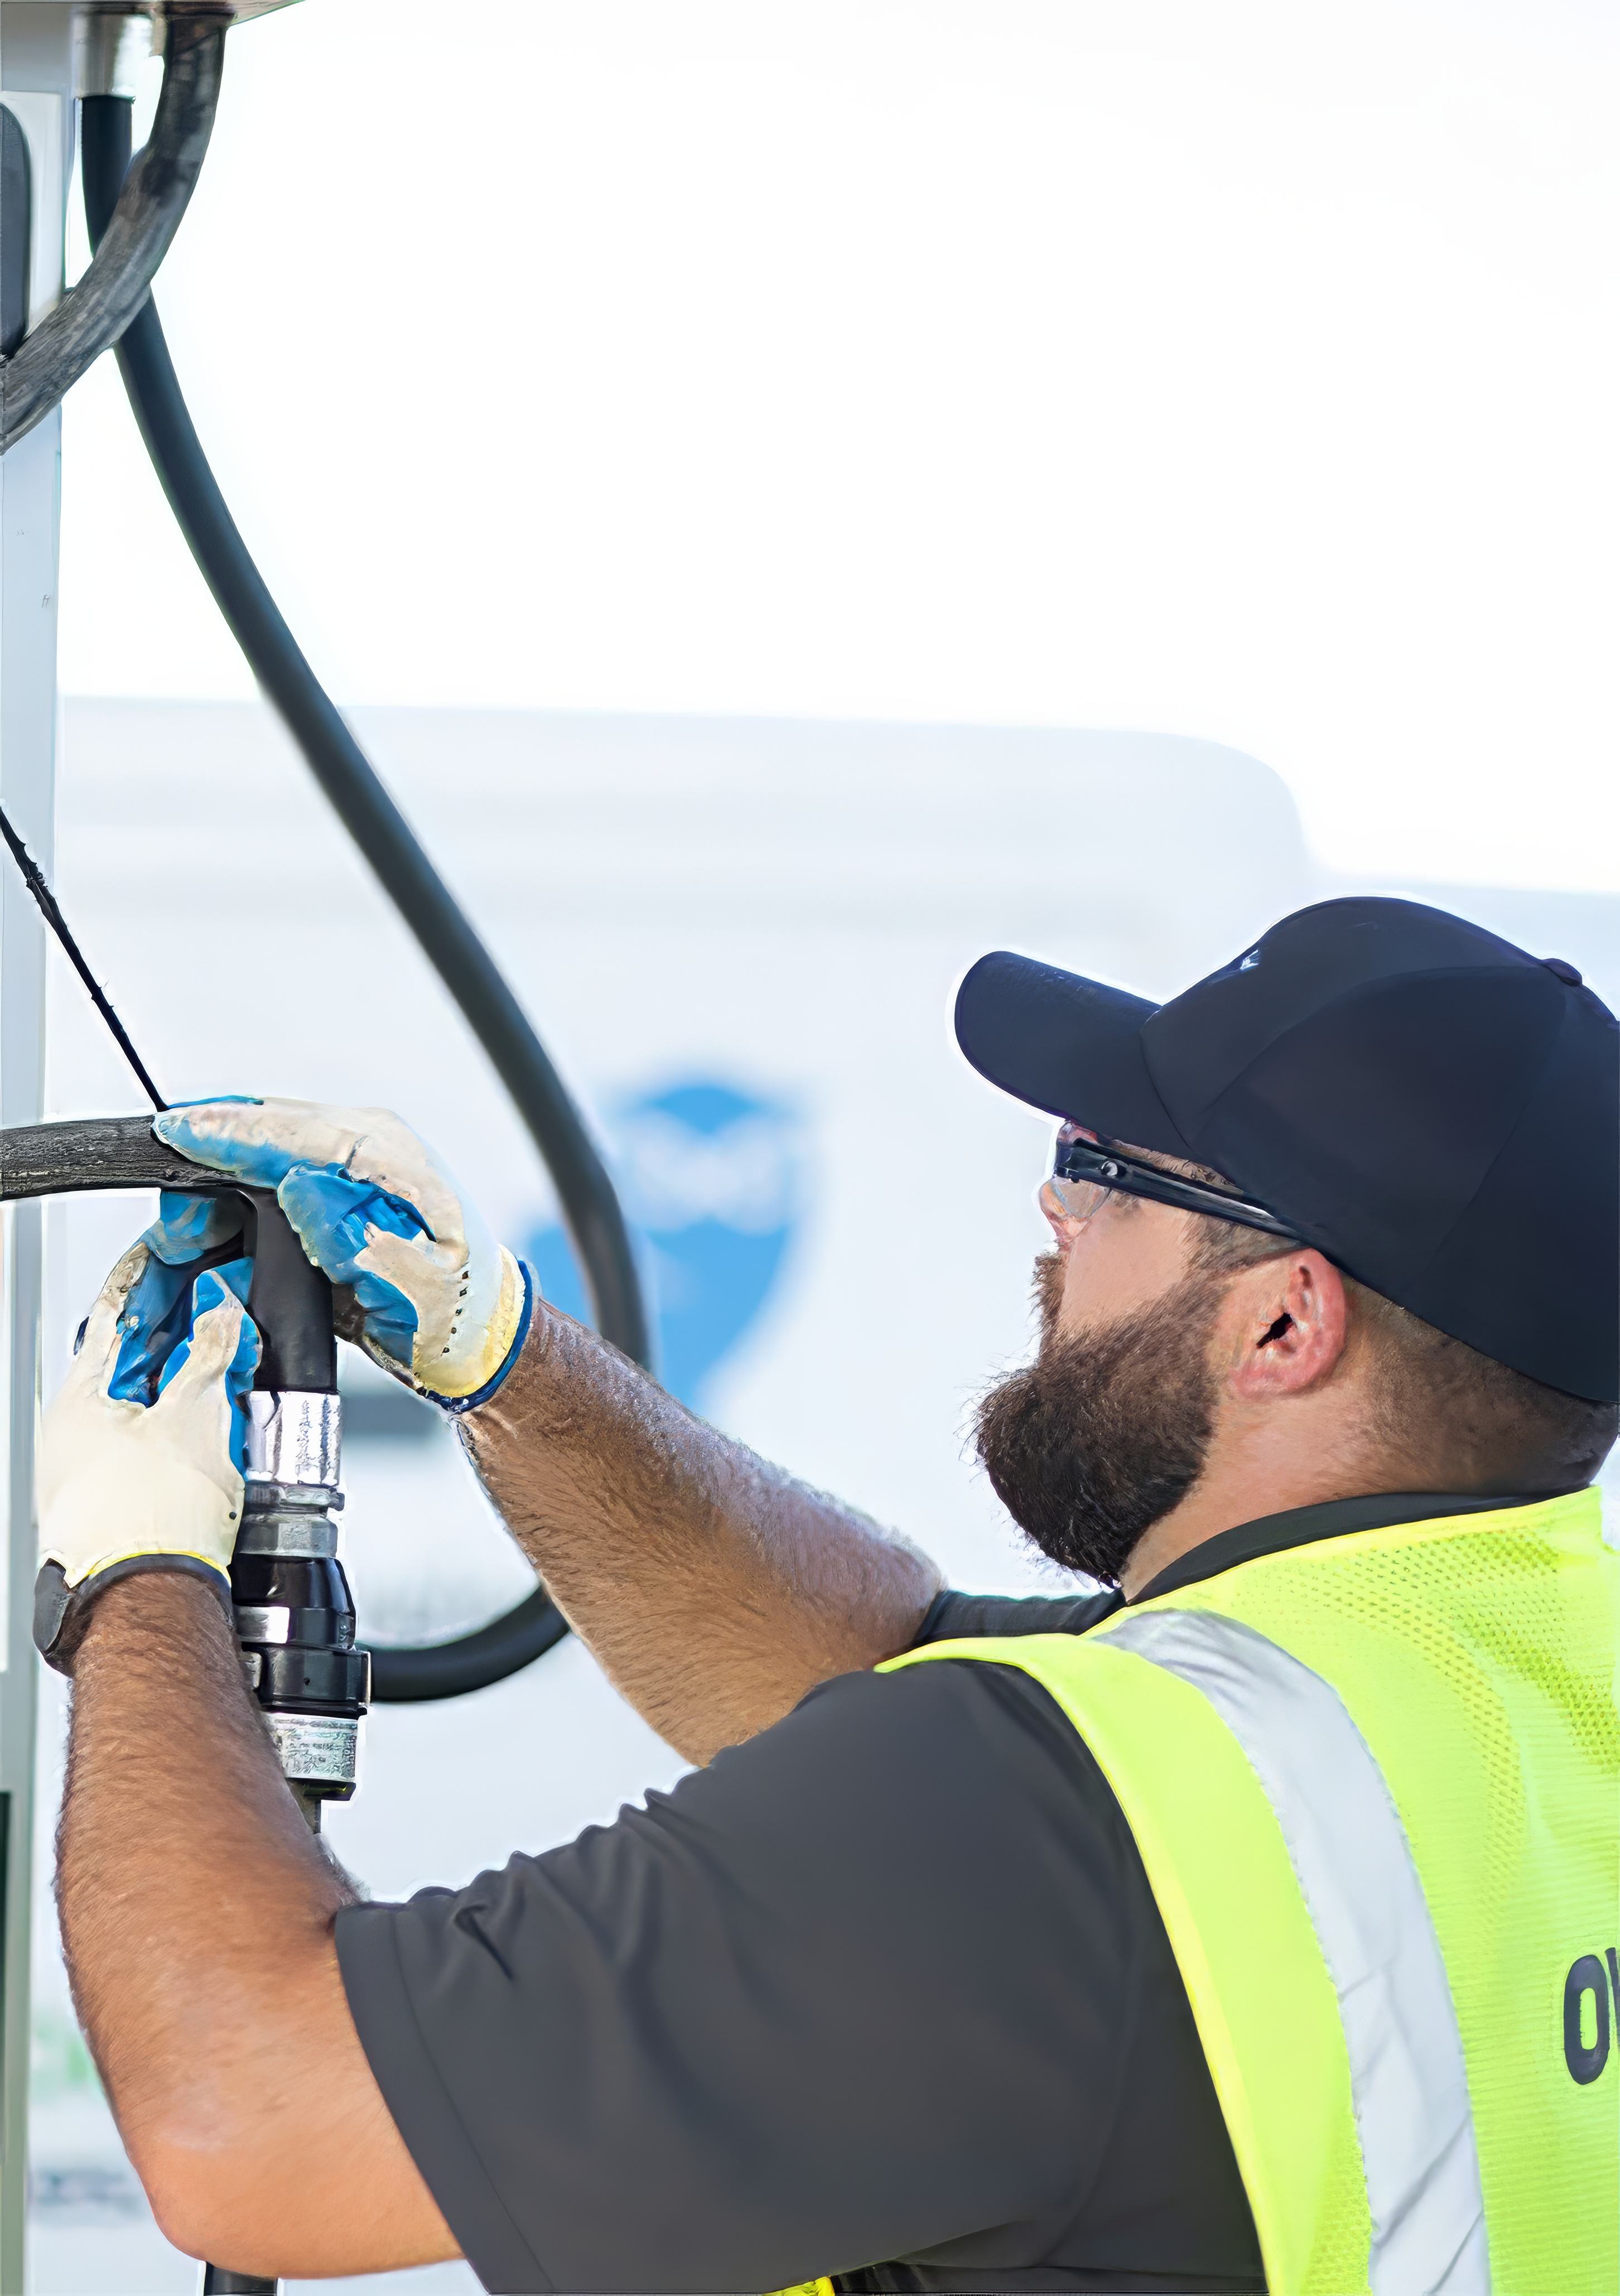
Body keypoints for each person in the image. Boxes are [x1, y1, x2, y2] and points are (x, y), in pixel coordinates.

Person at [37, 895, 1618, 2295]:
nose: (1056, 1215)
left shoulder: (1059, 1817)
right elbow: (875, 1659)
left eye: (1112, 1175)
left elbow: (252, 2118)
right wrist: (500, 1347)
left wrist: (134, 1563)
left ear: (1286, 1325)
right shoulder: (1480, 1694)